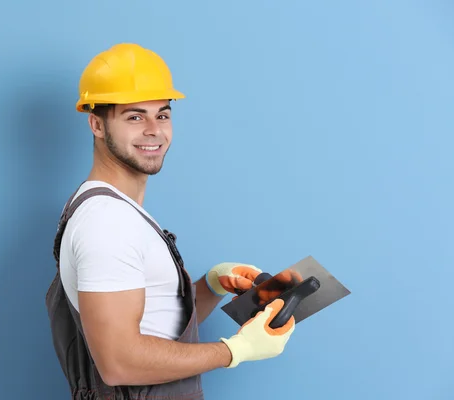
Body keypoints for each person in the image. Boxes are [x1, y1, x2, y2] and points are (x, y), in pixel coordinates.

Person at [50, 43, 296, 399]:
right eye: (135, 117)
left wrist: (211, 286)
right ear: (97, 124)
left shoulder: (117, 211)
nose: (154, 130)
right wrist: (235, 350)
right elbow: (119, 362)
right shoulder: (107, 222)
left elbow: (154, 322)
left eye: (162, 115)